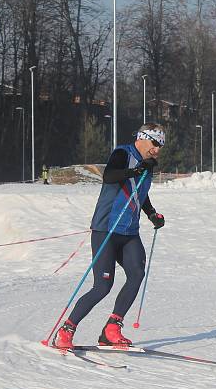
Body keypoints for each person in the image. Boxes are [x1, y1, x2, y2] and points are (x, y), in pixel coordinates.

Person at [53, 123, 167, 349]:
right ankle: (66, 330)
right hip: (106, 228)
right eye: (155, 143)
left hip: (129, 231)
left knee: (136, 274)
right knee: (102, 286)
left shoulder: (148, 165)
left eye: (161, 146)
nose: (157, 150)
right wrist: (133, 170)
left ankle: (112, 329)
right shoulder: (123, 153)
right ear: (142, 138)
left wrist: (152, 214)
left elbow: (139, 193)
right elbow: (110, 176)